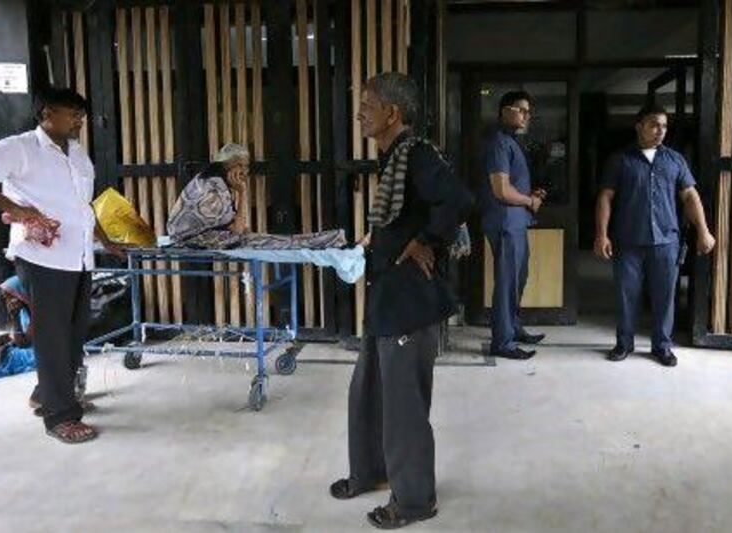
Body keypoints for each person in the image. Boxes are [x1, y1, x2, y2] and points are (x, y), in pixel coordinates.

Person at [329, 72, 473, 530]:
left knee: (404, 406)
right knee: (368, 391)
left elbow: (458, 199)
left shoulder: (417, 155)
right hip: (385, 296)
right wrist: (384, 238)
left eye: (367, 104)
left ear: (392, 113)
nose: (359, 112)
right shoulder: (394, 158)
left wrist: (427, 240)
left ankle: (414, 499)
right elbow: (404, 213)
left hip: (410, 300)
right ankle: (372, 471)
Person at [0, 87, 124, 444]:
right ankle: (60, 415)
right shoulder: (20, 148)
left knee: (73, 331)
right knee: (53, 335)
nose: (79, 121)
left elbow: (83, 205)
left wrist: (104, 241)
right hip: (42, 257)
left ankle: (47, 394)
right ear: (46, 113)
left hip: (78, 256)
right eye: (72, 114)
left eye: (81, 116)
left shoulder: (77, 154)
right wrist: (16, 207)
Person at [595, 103, 715, 367]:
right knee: (626, 294)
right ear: (639, 126)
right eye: (654, 124)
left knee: (664, 296)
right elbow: (606, 197)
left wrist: (703, 231)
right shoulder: (620, 159)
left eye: (663, 126)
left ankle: (662, 346)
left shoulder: (675, 160)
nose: (660, 130)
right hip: (628, 241)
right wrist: (601, 235)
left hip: (666, 242)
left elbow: (690, 197)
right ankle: (623, 344)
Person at [167, 143, 346, 250]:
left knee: (277, 240)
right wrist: (243, 192)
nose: (245, 171)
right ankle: (335, 240)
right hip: (192, 241)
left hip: (188, 237)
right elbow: (237, 229)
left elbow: (233, 226)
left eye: (246, 166)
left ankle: (336, 239)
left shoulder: (206, 178)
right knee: (281, 242)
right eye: (242, 166)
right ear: (231, 166)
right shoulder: (216, 187)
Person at [479, 90, 547, 359]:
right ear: (504, 111)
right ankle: (502, 342)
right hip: (505, 222)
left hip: (515, 223)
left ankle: (513, 327)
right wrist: (530, 201)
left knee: (519, 278)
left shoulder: (512, 142)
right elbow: (501, 190)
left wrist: (534, 195)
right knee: (507, 282)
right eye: (520, 109)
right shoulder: (498, 142)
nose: (526, 115)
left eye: (528, 111)